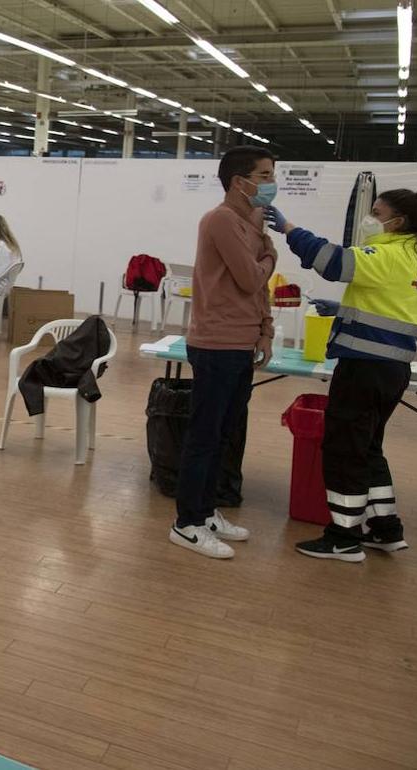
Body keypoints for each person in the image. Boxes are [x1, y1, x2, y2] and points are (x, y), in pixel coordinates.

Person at [266, 190, 417, 562]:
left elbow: (333, 263)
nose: (371, 218)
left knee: (344, 449)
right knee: (367, 448)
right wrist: (344, 308)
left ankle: (344, 536)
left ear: (399, 221)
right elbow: (383, 302)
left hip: (365, 369)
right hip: (391, 370)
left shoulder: (389, 253)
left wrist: (288, 228)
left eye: (377, 213)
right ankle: (385, 528)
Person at [170, 146, 277, 560]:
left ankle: (205, 511)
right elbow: (252, 277)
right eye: (264, 176)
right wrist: (270, 255)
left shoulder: (251, 224)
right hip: (216, 344)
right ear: (239, 181)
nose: (270, 183)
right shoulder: (220, 220)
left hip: (242, 343)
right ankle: (186, 523)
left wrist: (265, 333)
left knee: (224, 436)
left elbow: (260, 288)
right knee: (204, 436)